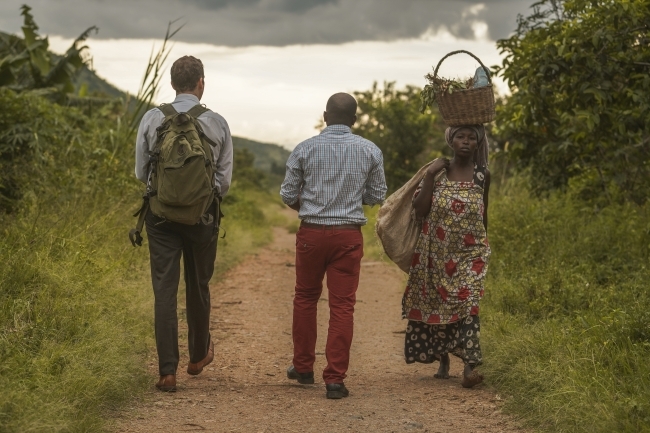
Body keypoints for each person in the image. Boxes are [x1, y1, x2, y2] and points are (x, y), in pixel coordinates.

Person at [134, 55, 233, 392]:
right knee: (198, 284)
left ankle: (167, 372)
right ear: (201, 83)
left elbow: (140, 172)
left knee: (164, 291)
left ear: (172, 83)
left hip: (160, 217)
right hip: (202, 216)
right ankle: (197, 356)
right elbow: (224, 180)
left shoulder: (152, 118)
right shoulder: (216, 122)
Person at [280, 93, 387, 399]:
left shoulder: (305, 149)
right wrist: (351, 199)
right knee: (342, 305)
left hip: (311, 234)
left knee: (305, 298)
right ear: (354, 120)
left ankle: (303, 367)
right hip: (347, 236)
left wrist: (311, 206)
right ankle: (335, 379)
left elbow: (288, 194)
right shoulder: (370, 150)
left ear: (325, 116)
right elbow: (377, 193)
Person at [402, 125, 491, 388]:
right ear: (450, 140)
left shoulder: (483, 175)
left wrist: (484, 243)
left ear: (478, 143)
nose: (466, 141)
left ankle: (470, 366)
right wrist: (429, 175)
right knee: (437, 304)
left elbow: (484, 213)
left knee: (469, 303)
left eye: (471, 137)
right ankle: (443, 358)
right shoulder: (437, 172)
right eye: (460, 136)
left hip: (471, 252)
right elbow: (419, 209)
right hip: (436, 252)